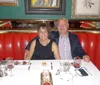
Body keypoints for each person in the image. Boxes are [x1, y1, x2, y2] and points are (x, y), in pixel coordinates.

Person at [25, 18, 90, 62]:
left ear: (67, 26)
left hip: (71, 64)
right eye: (59, 25)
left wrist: (84, 55)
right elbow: (39, 37)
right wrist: (27, 49)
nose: (61, 27)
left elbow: (80, 50)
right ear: (57, 27)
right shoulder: (53, 35)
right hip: (57, 64)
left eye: (63, 25)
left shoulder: (74, 37)